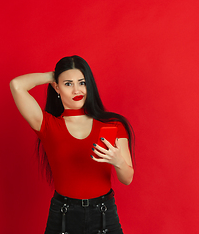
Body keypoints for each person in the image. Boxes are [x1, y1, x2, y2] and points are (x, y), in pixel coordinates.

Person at [10, 55, 134, 234]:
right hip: (63, 215)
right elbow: (17, 85)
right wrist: (53, 76)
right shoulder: (47, 124)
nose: (77, 90)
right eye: (68, 84)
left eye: (82, 82)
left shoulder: (113, 125)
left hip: (104, 215)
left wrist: (118, 161)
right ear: (56, 87)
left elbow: (127, 179)